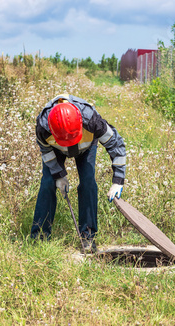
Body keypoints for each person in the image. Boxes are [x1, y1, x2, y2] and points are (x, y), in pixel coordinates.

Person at [31, 94, 126, 253]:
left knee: (88, 181)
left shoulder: (92, 121)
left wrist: (118, 180)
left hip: (86, 146)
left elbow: (116, 145)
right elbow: (46, 151)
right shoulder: (43, 126)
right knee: (48, 182)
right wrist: (58, 174)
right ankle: (40, 236)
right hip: (56, 149)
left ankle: (88, 236)